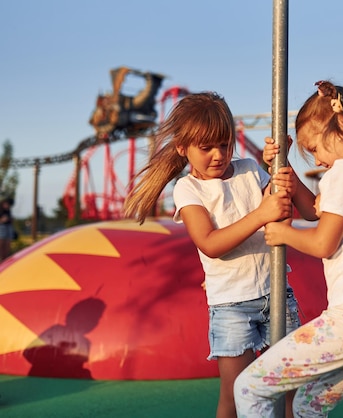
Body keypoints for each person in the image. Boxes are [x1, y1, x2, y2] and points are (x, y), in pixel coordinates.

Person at [124, 92, 317, 418]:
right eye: (207, 147)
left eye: (226, 145)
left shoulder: (249, 170)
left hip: (275, 293)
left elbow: (284, 214)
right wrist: (260, 213)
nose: (219, 155)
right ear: (183, 148)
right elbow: (210, 243)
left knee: (289, 385)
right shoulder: (189, 189)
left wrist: (278, 167)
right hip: (231, 305)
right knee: (235, 392)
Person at [234, 80, 343, 417]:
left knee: (249, 387)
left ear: (342, 127)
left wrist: (280, 234)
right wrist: (285, 168)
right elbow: (316, 210)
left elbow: (322, 243)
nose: (316, 158)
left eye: (314, 148)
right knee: (307, 405)